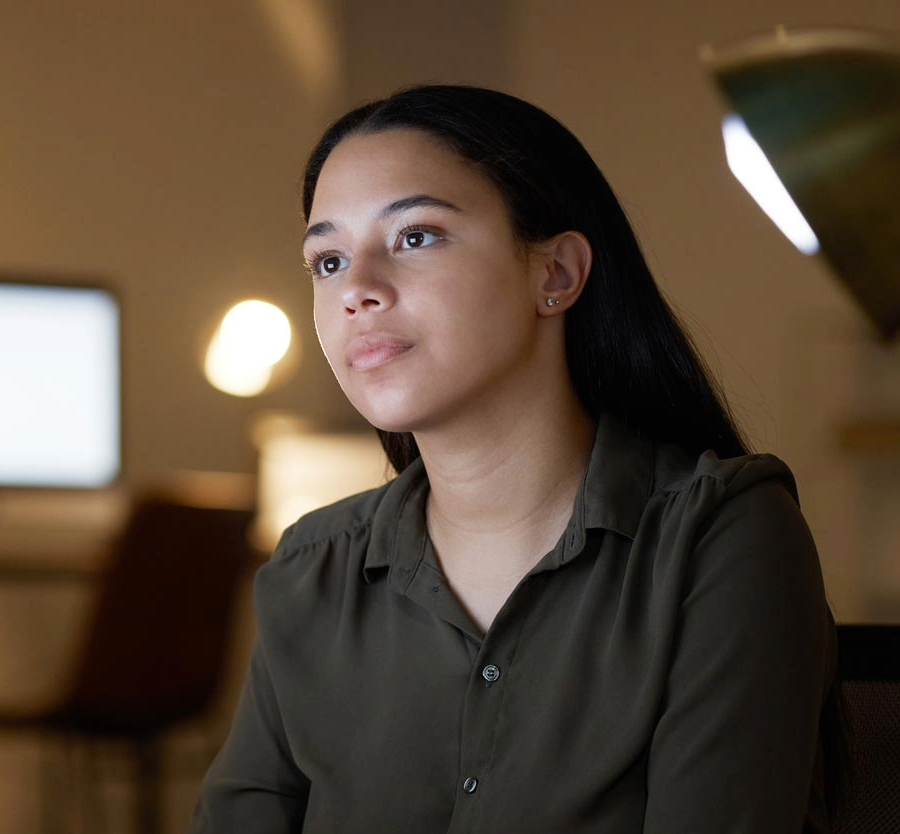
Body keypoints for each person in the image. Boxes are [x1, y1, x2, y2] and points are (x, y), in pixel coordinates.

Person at [191, 85, 841, 834]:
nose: (357, 290)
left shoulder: (720, 535)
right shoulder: (311, 568)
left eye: (415, 236)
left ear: (555, 274)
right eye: (327, 260)